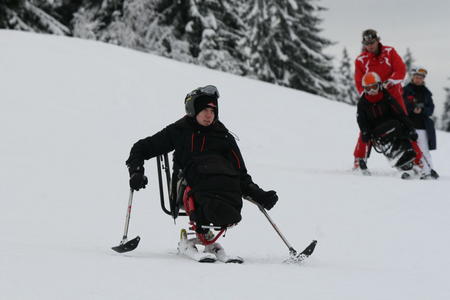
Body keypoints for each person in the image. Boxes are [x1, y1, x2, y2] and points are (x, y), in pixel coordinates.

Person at [125, 85, 278, 260]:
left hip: (219, 191)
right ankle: (201, 233)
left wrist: (258, 194)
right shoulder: (179, 131)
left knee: (226, 181)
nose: (209, 115)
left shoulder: (224, 137)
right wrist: (136, 172)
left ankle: (206, 235)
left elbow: (240, 174)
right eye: (204, 109)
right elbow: (141, 148)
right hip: (185, 189)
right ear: (193, 110)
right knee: (199, 184)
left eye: (213, 110)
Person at [353, 29, 407, 174]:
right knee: (366, 129)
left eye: (372, 42)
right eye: (366, 43)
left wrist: (388, 83)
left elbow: (401, 70)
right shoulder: (361, 60)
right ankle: (359, 161)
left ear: (377, 40)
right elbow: (359, 81)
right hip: (374, 100)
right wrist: (369, 94)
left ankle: (414, 161)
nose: (370, 46)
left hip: (393, 97)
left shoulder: (389, 52)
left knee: (405, 125)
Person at [356, 72, 425, 177]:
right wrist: (365, 130)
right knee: (363, 135)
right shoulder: (363, 102)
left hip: (392, 125)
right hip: (374, 129)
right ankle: (359, 161)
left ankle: (418, 162)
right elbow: (361, 119)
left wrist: (410, 128)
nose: (372, 91)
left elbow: (399, 113)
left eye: (374, 87)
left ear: (379, 85)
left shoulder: (386, 96)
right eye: (368, 89)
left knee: (406, 131)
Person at [403, 67, 439, 179]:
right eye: (416, 77)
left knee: (424, 149)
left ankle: (429, 170)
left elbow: (431, 109)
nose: (418, 79)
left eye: (420, 78)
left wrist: (422, 110)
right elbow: (401, 106)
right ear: (412, 77)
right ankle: (409, 170)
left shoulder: (427, 93)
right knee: (408, 149)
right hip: (408, 125)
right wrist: (412, 108)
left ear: (423, 79)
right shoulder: (405, 90)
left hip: (423, 126)